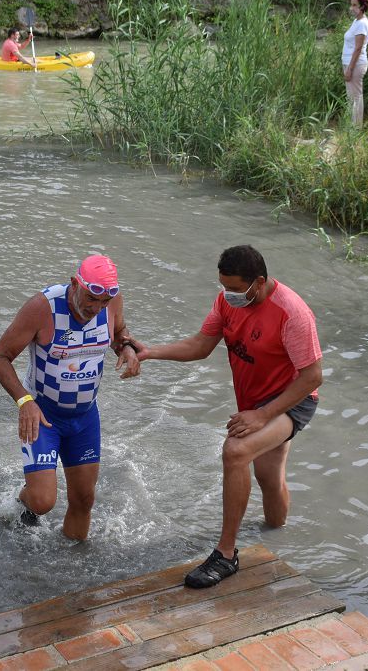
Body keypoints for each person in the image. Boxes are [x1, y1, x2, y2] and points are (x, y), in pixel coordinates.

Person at [133, 245, 322, 588]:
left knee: (235, 451)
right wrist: (150, 353)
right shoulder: (226, 303)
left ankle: (226, 554)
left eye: (235, 289)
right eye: (224, 287)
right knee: (269, 479)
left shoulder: (292, 313)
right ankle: (282, 542)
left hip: (290, 400)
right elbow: (200, 345)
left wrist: (263, 415)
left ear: (259, 282)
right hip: (255, 400)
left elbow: (312, 377)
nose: (228, 295)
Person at [0, 255, 140, 540]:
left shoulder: (112, 302)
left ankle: (72, 567)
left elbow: (119, 331)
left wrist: (127, 347)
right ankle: (22, 505)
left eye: (103, 303)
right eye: (90, 299)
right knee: (43, 501)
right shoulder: (42, 308)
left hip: (84, 418)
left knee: (84, 501)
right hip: (43, 415)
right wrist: (25, 402)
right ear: (75, 284)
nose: (96, 309)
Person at [342, 0, 368, 127]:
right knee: (352, 96)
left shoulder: (362, 24)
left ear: (362, 7)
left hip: (356, 65)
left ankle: (355, 127)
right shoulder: (357, 21)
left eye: (355, 5)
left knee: (356, 96)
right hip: (350, 63)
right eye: (351, 4)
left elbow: (358, 48)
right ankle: (352, 125)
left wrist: (350, 69)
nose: (351, 8)